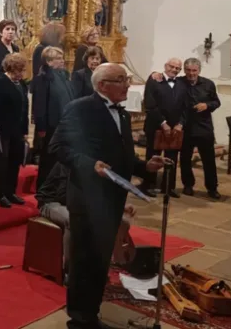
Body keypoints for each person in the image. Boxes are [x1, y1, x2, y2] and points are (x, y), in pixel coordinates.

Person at [50, 63, 170, 329]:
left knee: (101, 258)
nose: (128, 84)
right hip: (87, 197)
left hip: (112, 197)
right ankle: (80, 320)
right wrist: (89, 164)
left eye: (126, 79)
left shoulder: (123, 115)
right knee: (85, 260)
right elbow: (58, 148)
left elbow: (123, 154)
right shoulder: (80, 108)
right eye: (121, 80)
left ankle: (90, 314)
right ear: (102, 85)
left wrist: (143, 166)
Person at [35, 162, 136, 279]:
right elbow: (63, 196)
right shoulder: (70, 161)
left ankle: (107, 263)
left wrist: (119, 207)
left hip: (79, 204)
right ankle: (70, 272)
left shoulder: (99, 164)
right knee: (73, 220)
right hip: (51, 202)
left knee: (122, 221)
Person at [140, 58, 186, 198]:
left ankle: (168, 187)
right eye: (172, 66)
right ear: (165, 66)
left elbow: (186, 107)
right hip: (156, 126)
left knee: (172, 157)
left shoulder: (182, 84)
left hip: (175, 128)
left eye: (178, 68)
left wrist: (181, 123)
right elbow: (150, 104)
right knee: (153, 156)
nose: (174, 70)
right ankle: (148, 185)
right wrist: (163, 123)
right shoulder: (154, 80)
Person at [31, 47, 75, 190]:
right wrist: (41, 126)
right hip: (50, 125)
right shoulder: (42, 78)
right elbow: (40, 104)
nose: (62, 61)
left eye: (62, 58)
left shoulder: (63, 76)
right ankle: (44, 188)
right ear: (49, 62)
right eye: (58, 58)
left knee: (60, 158)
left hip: (64, 124)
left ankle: (57, 187)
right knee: (48, 158)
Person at [180, 58, 221, 200]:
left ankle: (212, 188)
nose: (191, 73)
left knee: (208, 160)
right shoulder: (179, 83)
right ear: (184, 70)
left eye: (194, 70)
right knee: (185, 159)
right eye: (188, 70)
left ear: (199, 70)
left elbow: (216, 102)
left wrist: (207, 105)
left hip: (204, 127)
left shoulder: (208, 84)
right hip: (185, 127)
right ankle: (188, 185)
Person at [0, 53, 30, 207]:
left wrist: (25, 130)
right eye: (18, 71)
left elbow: (25, 108)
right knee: (2, 163)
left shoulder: (21, 84)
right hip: (4, 130)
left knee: (15, 161)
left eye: (22, 71)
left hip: (18, 130)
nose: (21, 74)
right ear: (10, 68)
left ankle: (10, 192)